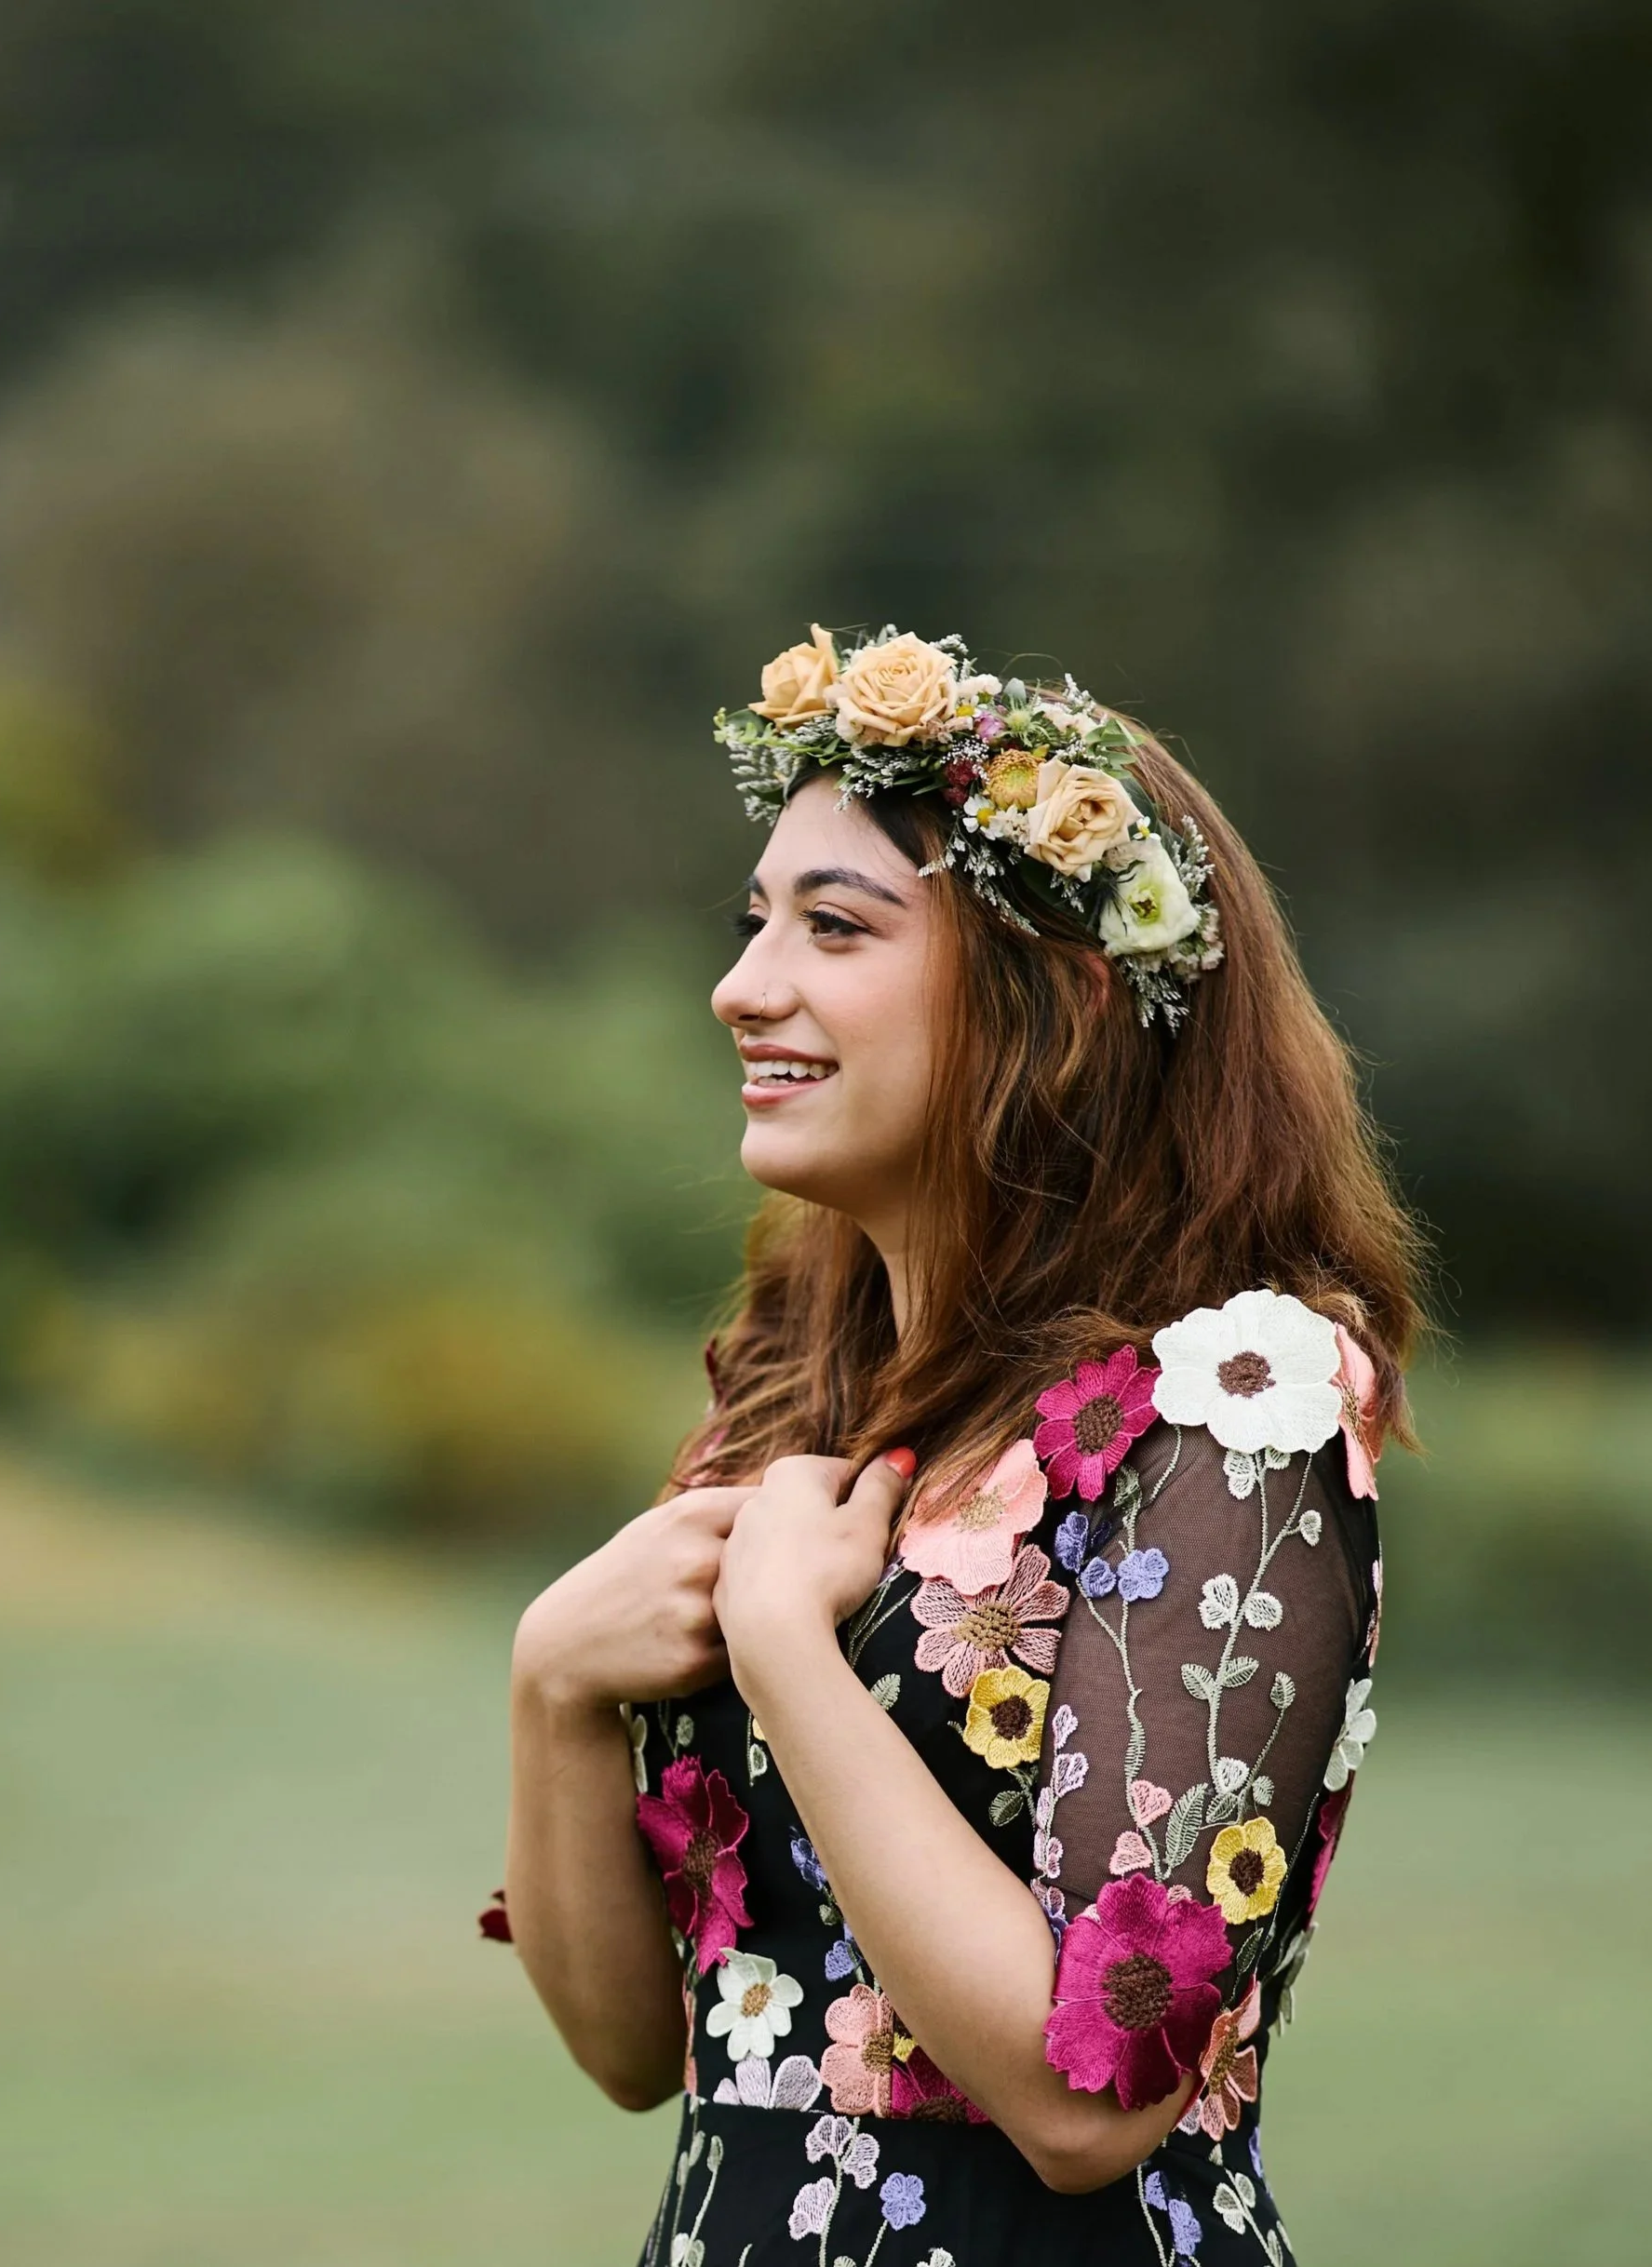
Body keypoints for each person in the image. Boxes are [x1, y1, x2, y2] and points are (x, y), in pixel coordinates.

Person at [492, 626, 1423, 2264]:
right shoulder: (788, 1398)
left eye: (835, 925)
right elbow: (641, 2051)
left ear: (1060, 998)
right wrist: (553, 1684)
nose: (741, 986)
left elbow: (1092, 2098)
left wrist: (786, 1648)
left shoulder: (1232, 1408)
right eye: (754, 921)